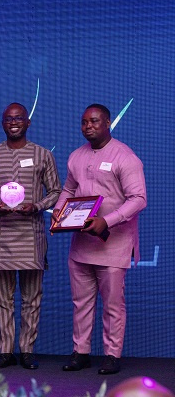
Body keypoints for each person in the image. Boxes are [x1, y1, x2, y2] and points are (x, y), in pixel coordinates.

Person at [55, 104, 146, 375]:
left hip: (114, 244)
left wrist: (108, 220)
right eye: (84, 122)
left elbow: (139, 199)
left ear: (108, 123)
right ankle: (80, 352)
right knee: (80, 302)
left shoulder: (125, 156)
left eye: (94, 121)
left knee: (113, 304)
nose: (88, 126)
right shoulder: (75, 156)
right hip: (81, 245)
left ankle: (112, 355)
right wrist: (59, 213)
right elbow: (69, 189)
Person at [0, 102, 61, 370]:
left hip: (31, 235)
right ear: (2, 124)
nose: (13, 122)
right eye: (8, 119)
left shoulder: (42, 154)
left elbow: (56, 191)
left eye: (18, 118)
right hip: (1, 235)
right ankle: (5, 352)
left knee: (31, 298)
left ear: (28, 123)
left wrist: (36, 206)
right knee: (2, 299)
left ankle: (26, 351)